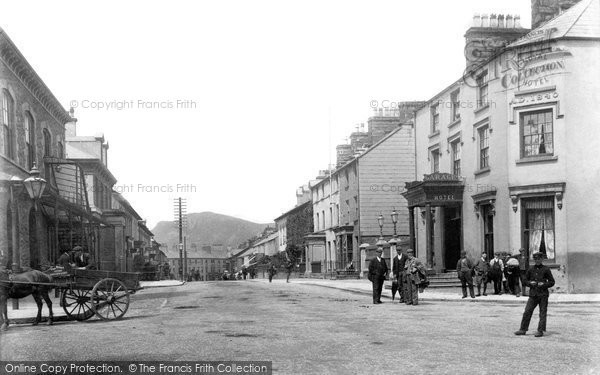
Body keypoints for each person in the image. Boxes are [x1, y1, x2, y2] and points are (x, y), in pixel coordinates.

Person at [514, 252, 555, 337]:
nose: (537, 261)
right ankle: (523, 329)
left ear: (542, 259)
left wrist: (543, 284)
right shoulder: (530, 269)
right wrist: (530, 283)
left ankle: (540, 330)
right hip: (533, 295)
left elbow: (552, 282)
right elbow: (524, 281)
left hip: (543, 294)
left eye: (539, 259)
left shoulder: (546, 269)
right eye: (535, 259)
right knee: (527, 311)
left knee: (542, 313)